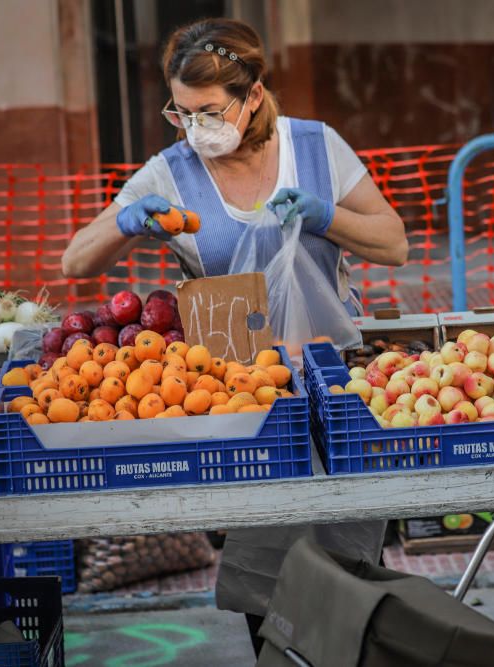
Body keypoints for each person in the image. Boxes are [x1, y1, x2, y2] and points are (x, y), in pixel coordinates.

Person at [62, 17, 407, 657]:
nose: (196, 128)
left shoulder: (316, 146)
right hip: (242, 407)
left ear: (251, 97)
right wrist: (127, 221)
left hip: (338, 393)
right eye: (182, 113)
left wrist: (327, 215)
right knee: (271, 588)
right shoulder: (170, 172)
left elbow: (395, 242)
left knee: (351, 578)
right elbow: (77, 260)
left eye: (209, 111)